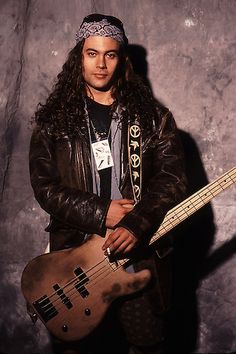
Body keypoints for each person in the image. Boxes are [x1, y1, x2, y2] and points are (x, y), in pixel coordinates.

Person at [29, 13, 186, 354]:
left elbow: (173, 178)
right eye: (92, 53)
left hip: (138, 258)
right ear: (78, 58)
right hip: (76, 263)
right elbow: (45, 188)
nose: (101, 64)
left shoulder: (153, 117)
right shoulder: (53, 121)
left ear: (122, 60)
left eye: (110, 54)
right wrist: (102, 212)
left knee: (148, 346)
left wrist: (135, 222)